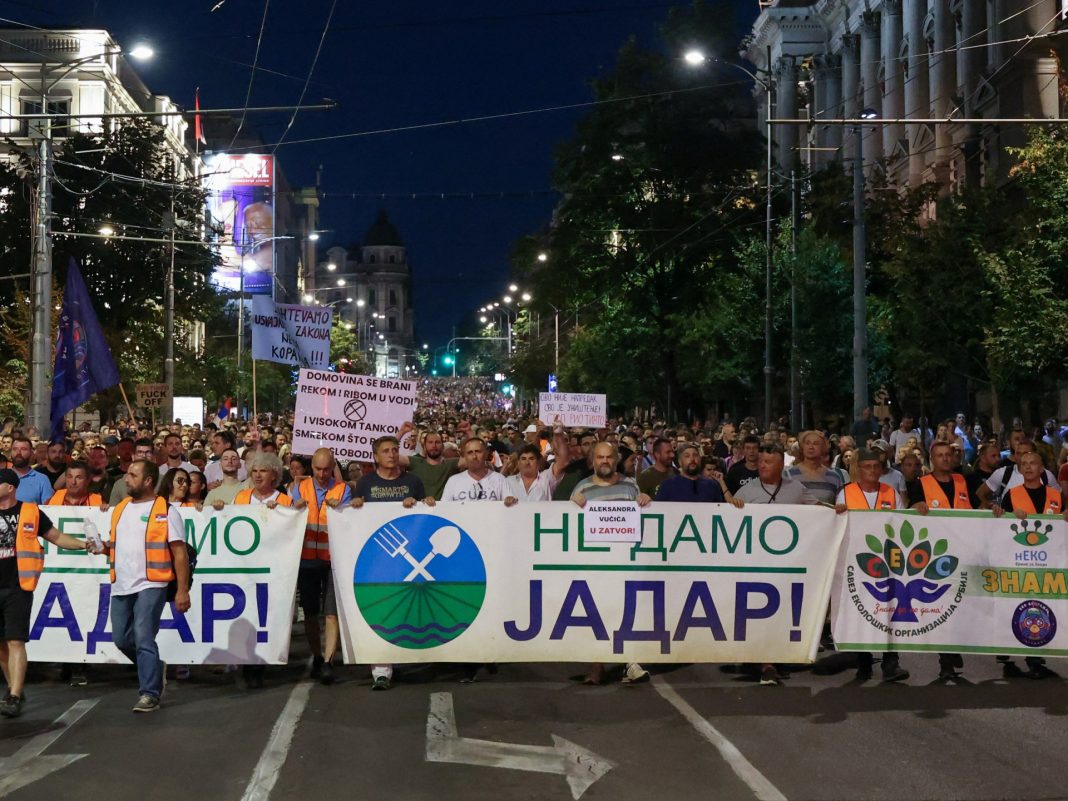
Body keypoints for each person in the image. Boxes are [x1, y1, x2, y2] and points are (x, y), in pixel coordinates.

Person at [0, 468, 91, 716]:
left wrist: (84, 544)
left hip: (18, 585)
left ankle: (15, 695)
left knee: (16, 640)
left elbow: (57, 537)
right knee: (1, 646)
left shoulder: (30, 512)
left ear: (9, 488)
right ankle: (13, 688)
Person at [106, 459, 192, 712]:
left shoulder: (165, 510)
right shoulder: (120, 508)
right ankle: (154, 666)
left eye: (132, 475)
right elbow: (116, 545)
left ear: (148, 481)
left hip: (152, 582)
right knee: (121, 639)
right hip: (122, 584)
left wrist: (182, 590)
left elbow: (179, 553)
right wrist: (101, 547)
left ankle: (149, 693)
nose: (126, 479)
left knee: (144, 637)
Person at [350, 436, 435, 690]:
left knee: (410, 608)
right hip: (377, 559)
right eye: (385, 451)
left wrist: (422, 503)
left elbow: (424, 515)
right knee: (382, 610)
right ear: (375, 456)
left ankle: (414, 656)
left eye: (395, 450)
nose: (391, 454)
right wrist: (356, 505)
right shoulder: (365, 484)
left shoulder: (412, 481)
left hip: (411, 558)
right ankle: (381, 670)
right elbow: (357, 518)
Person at [571, 442, 652, 686]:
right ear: (592, 461)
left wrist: (646, 500)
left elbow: (643, 519)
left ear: (615, 460)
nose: (604, 461)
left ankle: (631, 662)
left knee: (626, 611)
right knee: (596, 613)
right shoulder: (582, 487)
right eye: (600, 457)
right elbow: (568, 523)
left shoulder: (630, 485)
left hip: (624, 562)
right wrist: (572, 504)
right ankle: (596, 665)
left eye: (609, 457)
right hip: (594, 562)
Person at [908, 441, 983, 680]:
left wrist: (992, 512)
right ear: (932, 460)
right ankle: (946, 658)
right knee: (942, 606)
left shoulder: (966, 481)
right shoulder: (919, 485)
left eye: (948, 455)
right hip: (936, 555)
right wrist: (915, 505)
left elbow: (981, 504)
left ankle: (955, 645)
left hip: (964, 551)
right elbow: (910, 512)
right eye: (939, 456)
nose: (945, 459)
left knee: (963, 606)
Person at [834, 449, 909, 683]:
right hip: (857, 562)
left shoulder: (891, 492)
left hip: (887, 562)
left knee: (889, 612)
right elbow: (838, 526)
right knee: (861, 611)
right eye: (867, 467)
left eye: (876, 467)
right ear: (859, 468)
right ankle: (864, 661)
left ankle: (891, 662)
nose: (872, 471)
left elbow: (902, 521)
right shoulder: (846, 493)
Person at [289, 448, 351, 684]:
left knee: (332, 612)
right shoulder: (301, 487)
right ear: (311, 467)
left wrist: (344, 507)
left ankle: (328, 661)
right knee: (311, 612)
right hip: (306, 560)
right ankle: (316, 655)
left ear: (333, 466)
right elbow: (291, 512)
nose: (322, 474)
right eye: (317, 469)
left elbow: (350, 519)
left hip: (333, 559)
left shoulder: (343, 489)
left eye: (327, 469)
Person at [231, 451, 292, 689]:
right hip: (245, 568)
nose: (257, 475)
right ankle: (248, 664)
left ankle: (260, 664)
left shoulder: (284, 500)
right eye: (254, 471)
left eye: (263, 471)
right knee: (246, 614)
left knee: (266, 616)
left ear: (274, 475)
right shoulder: (241, 497)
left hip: (273, 570)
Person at [504, 426, 570, 502]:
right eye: (523, 459)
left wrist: (558, 433)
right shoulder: (508, 482)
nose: (527, 462)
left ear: (538, 462)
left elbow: (563, 461)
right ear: (518, 463)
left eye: (531, 458)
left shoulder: (546, 478)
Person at [441, 438, 514, 503]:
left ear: (486, 454)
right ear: (464, 456)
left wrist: (511, 501)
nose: (474, 456)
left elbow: (510, 507)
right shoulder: (453, 481)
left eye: (478, 451)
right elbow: (444, 510)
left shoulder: (499, 479)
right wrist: (431, 504)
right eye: (470, 452)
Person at [783, 431, 844, 505]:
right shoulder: (787, 474)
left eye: (816, 443)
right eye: (807, 443)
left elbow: (840, 504)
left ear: (823, 448)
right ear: (802, 447)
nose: (811, 447)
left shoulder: (834, 477)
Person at [401, 428, 461, 500]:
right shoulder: (415, 462)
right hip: (419, 509)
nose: (434, 445)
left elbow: (475, 458)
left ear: (442, 446)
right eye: (430, 442)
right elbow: (389, 457)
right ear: (425, 445)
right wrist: (401, 432)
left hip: (444, 509)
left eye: (437, 442)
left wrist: (469, 432)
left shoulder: (451, 464)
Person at [656, 443, 727, 503]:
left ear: (700, 460)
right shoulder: (667, 486)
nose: (692, 459)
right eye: (687, 456)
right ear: (680, 462)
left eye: (695, 455)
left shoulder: (712, 486)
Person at [110, 439, 156, 505]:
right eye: (140, 452)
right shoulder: (120, 484)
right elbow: (113, 511)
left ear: (153, 456)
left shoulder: (164, 481)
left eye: (148, 452)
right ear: (133, 456)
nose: (144, 456)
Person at [9, 437, 53, 505]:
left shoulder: (42, 479)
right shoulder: (2, 476)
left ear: (31, 453)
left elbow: (49, 509)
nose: (19, 453)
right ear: (10, 453)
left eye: (23, 449)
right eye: (15, 449)